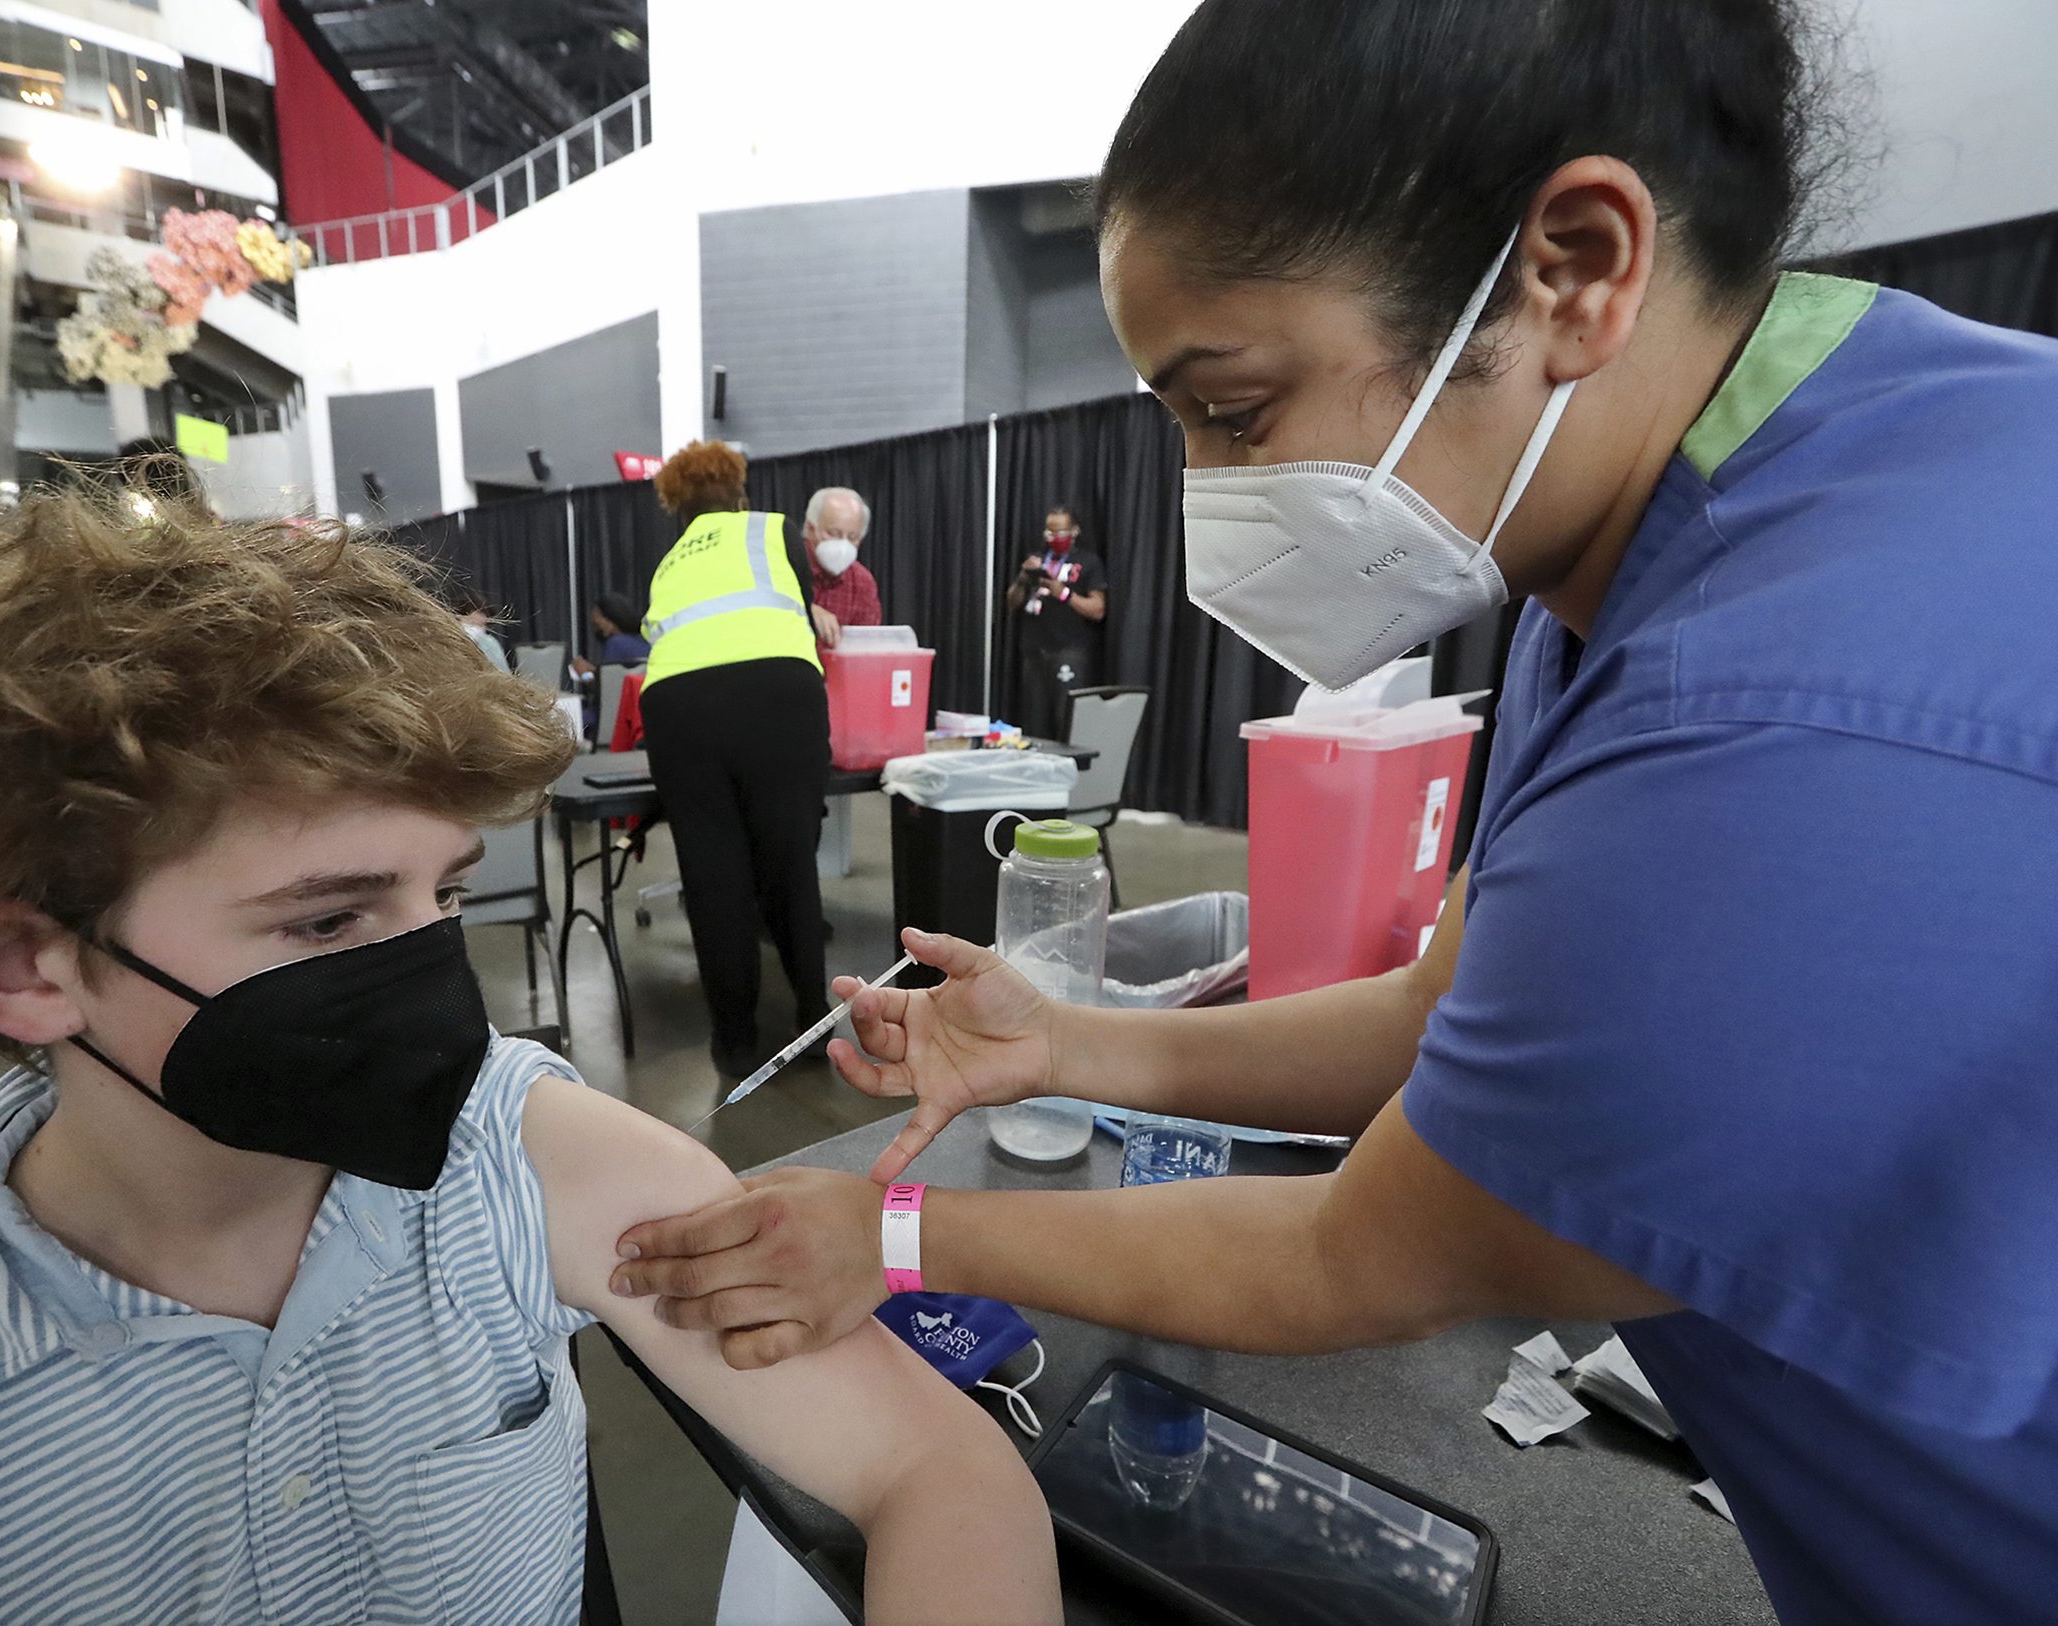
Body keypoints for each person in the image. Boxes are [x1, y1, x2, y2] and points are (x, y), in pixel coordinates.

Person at [605, 3, 2058, 1621]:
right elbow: (1449, 1007)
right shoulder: (1682, 540)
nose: (1213, 497)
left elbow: (1359, 1258)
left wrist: (882, 1233)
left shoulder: (1770, 720)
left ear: (1572, 266)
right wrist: (1073, 1042)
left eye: (1236, 413)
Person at [0, 486, 1060, 1625]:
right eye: (330, 916)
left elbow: (937, 1472)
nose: (430, 979)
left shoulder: (524, 1159)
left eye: (441, 896)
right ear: (27, 967)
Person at [638, 442, 834, 1076]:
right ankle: (810, 1028)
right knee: (789, 862)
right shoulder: (772, 529)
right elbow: (797, 614)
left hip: (675, 707)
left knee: (712, 875)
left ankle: (733, 1043)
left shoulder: (668, 563)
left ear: (679, 506)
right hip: (775, 696)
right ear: (739, 493)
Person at [1002, 503, 1106, 739]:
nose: (1055, 538)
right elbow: (1012, 603)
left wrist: (1064, 593)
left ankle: (1071, 770)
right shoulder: (1037, 559)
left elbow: (1098, 610)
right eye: (1050, 533)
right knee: (1034, 721)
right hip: (1034, 652)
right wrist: (1022, 579)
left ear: (1075, 531)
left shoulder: (1088, 562)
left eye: (1061, 533)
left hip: (1069, 651)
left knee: (1067, 720)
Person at [803, 486, 882, 633]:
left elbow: (866, 645)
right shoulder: (782, 566)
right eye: (834, 533)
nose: (843, 544)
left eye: (852, 537)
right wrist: (804, 610)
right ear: (810, 528)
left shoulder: (862, 583)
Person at [568, 592, 653, 678]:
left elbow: (608, 684)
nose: (595, 630)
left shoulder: (615, 644)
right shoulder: (648, 639)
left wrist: (584, 674)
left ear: (609, 619)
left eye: (597, 625)